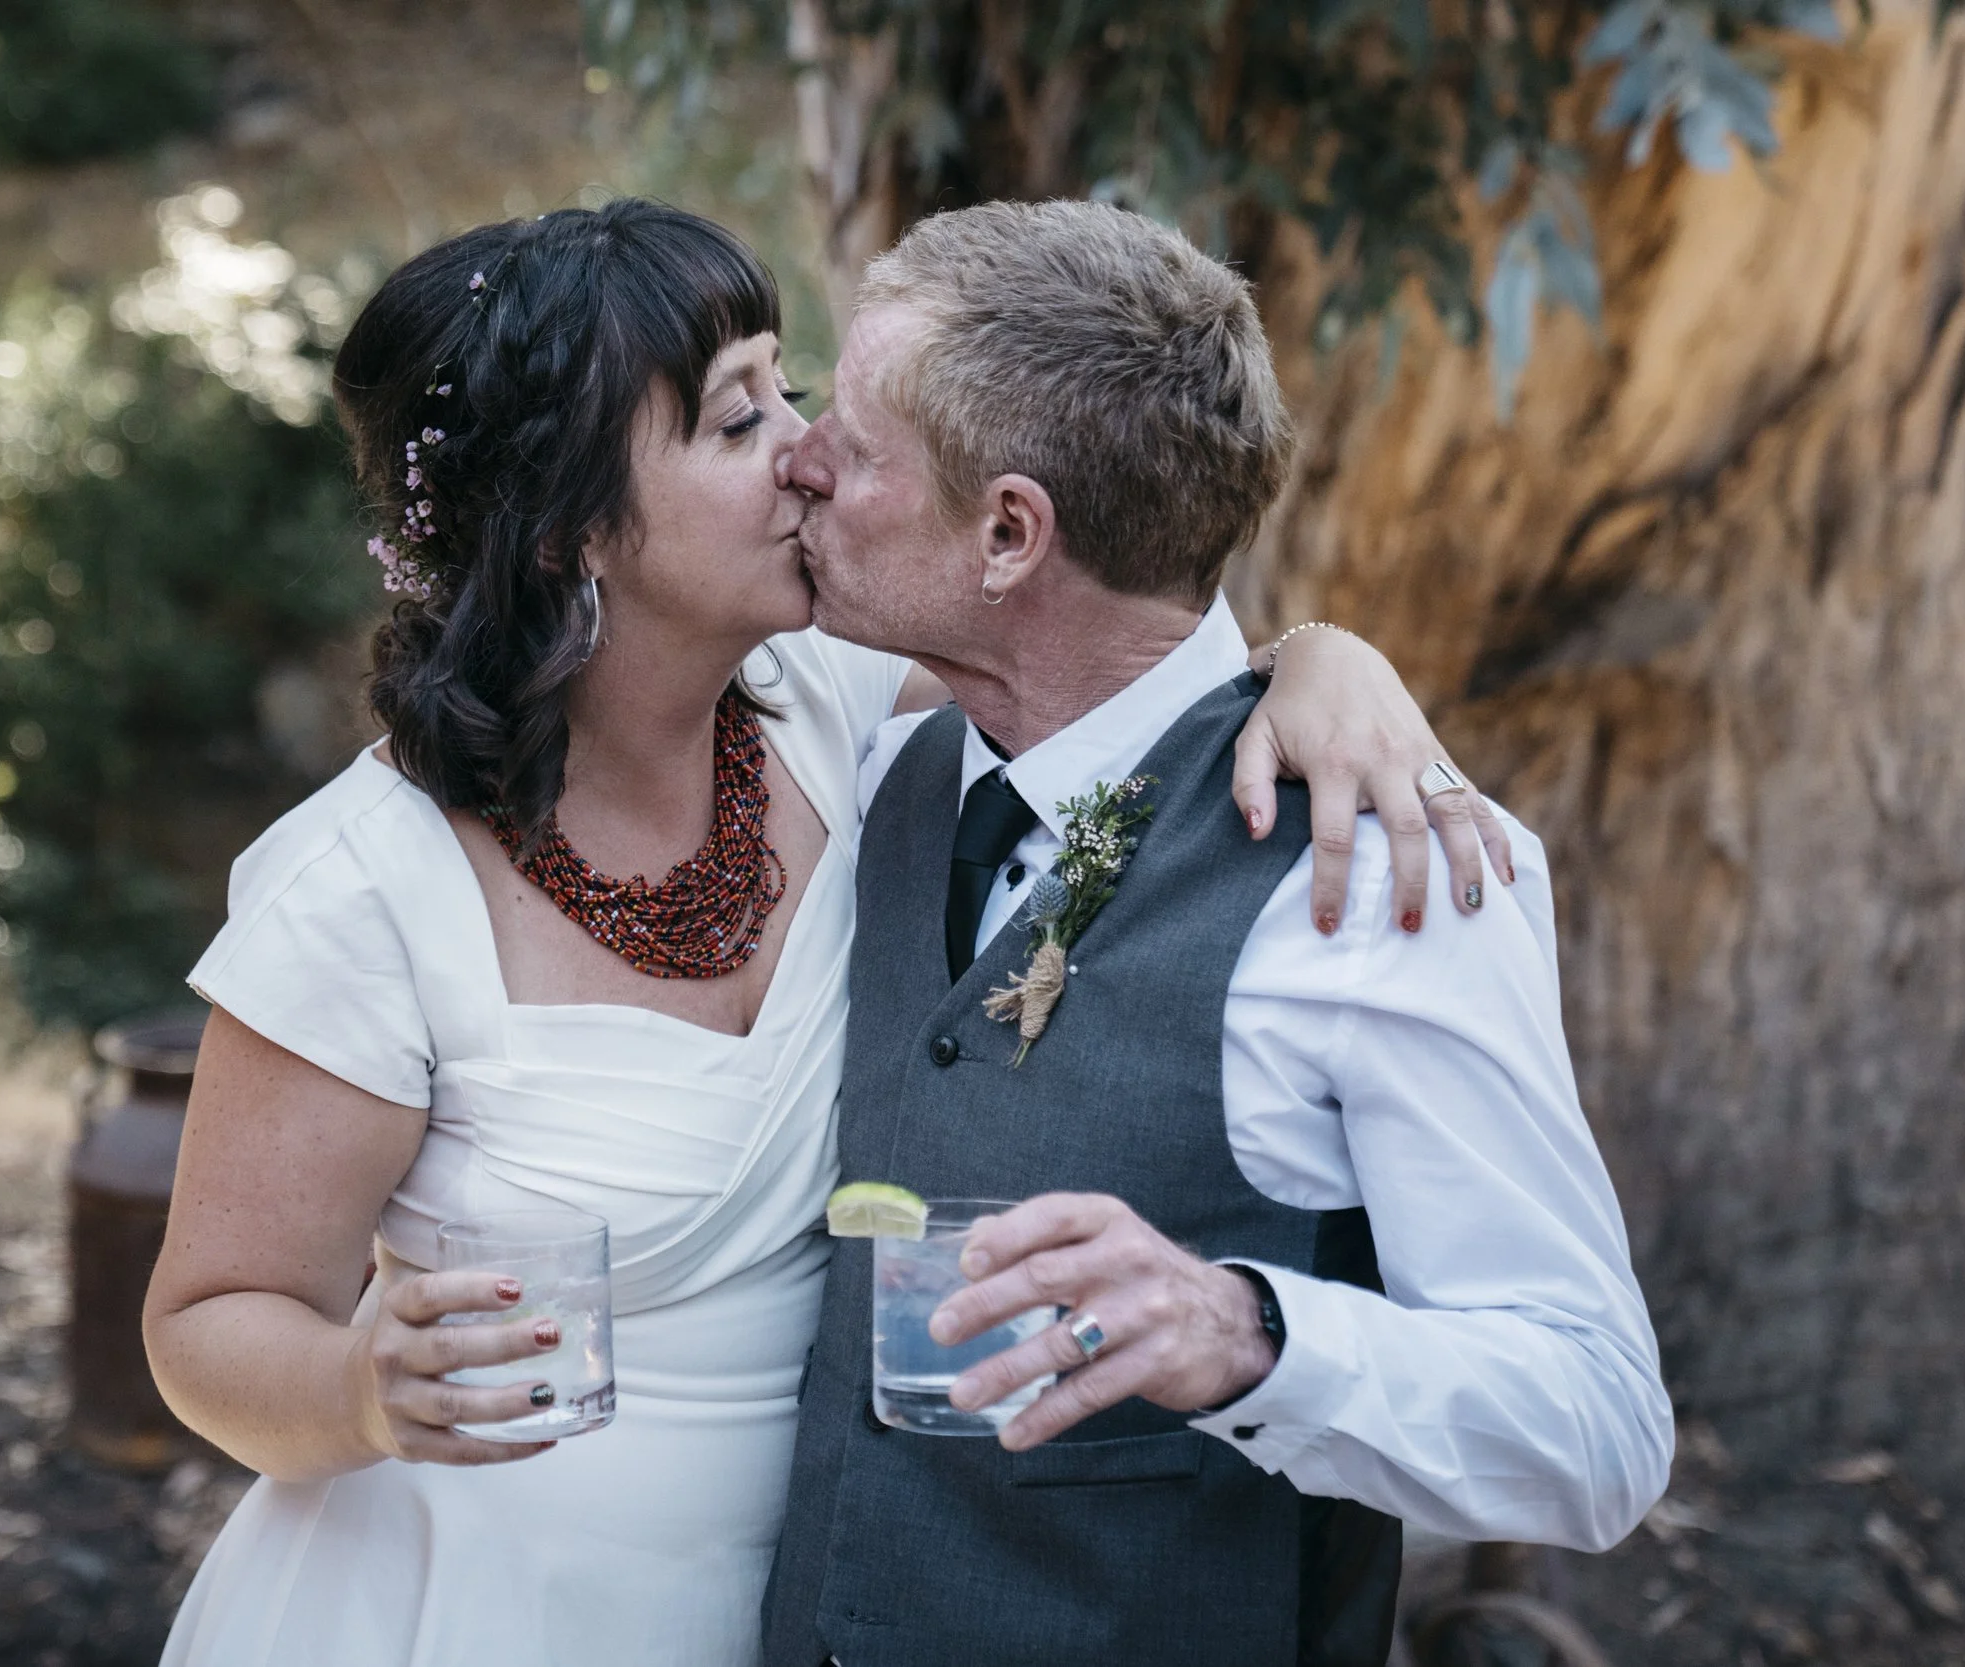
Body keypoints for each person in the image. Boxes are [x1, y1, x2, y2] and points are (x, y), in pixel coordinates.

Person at [143, 198, 1501, 1667]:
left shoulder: (835, 715)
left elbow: (1115, 674)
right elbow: (209, 1320)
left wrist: (1317, 662)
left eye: (784, 387)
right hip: (474, 1604)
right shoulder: (360, 886)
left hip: (805, 1607)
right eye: (737, 422)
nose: (804, 446)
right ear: (568, 533)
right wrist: (357, 1389)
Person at [760, 198, 1673, 1667]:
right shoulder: (868, 773)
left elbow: (1598, 1427)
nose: (798, 457)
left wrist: (1246, 1333)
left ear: (1009, 532)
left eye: (853, 447)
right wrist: (1318, 645)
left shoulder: (1388, 878)